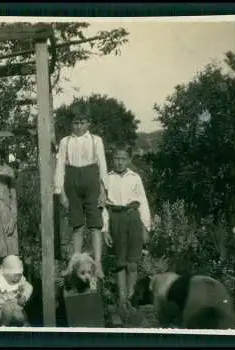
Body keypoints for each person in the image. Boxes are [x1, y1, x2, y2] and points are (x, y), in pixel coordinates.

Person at [54, 108, 108, 278]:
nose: (78, 126)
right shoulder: (65, 141)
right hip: (72, 181)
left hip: (91, 180)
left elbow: (102, 166)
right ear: (72, 124)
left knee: (95, 225)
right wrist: (60, 192)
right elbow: (60, 167)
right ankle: (75, 263)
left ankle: (97, 263)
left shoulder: (96, 140)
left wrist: (103, 190)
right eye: (76, 123)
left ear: (88, 123)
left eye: (82, 123)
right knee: (76, 225)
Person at [101, 144, 151, 315]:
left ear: (129, 160)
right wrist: (105, 230)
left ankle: (131, 297)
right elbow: (104, 208)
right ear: (112, 159)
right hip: (115, 218)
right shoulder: (107, 178)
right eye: (116, 158)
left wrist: (146, 227)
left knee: (132, 262)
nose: (120, 162)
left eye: (123, 159)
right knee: (119, 263)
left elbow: (143, 202)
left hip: (133, 218)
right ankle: (122, 299)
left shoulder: (135, 178)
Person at [0, 255, 33, 326]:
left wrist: (24, 296)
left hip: (15, 305)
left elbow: (29, 287)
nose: (17, 278)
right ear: (5, 274)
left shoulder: (20, 280)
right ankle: (4, 325)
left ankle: (26, 325)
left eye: (19, 275)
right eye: (14, 276)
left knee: (20, 315)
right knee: (7, 308)